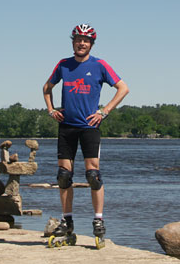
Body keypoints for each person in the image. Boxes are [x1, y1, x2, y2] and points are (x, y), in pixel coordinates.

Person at [42, 24, 129, 241]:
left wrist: (104, 111)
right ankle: (67, 221)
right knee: (63, 176)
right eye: (78, 39)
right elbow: (46, 88)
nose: (82, 43)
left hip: (90, 127)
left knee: (93, 175)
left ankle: (98, 220)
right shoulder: (64, 64)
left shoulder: (99, 65)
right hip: (67, 127)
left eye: (86, 40)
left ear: (91, 43)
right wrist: (51, 110)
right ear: (73, 42)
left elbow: (123, 88)